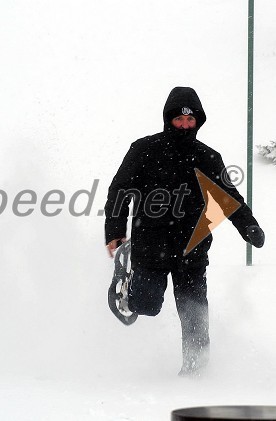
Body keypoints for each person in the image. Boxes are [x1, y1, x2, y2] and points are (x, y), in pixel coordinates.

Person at [104, 86, 265, 376]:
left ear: (199, 121)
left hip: (192, 246)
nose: (185, 126)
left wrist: (248, 225)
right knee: (147, 305)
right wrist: (115, 229)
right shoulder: (144, 149)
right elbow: (119, 190)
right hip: (150, 244)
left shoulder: (208, 157)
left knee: (194, 312)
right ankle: (127, 285)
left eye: (190, 121)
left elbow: (229, 197)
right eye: (179, 120)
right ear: (168, 119)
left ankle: (195, 370)